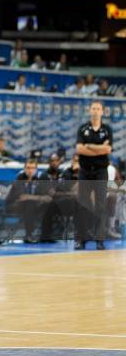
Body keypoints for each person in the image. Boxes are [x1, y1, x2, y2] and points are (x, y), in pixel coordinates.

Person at [76, 100, 112, 250]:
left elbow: (108, 150)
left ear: (102, 111)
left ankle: (100, 240)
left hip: (100, 172)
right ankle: (81, 239)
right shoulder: (83, 128)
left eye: (98, 109)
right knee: (83, 205)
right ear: (90, 110)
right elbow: (79, 149)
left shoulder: (107, 129)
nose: (96, 111)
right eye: (93, 108)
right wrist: (99, 147)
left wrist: (89, 146)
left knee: (101, 206)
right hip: (85, 171)